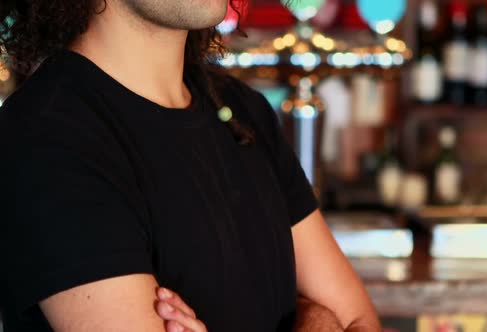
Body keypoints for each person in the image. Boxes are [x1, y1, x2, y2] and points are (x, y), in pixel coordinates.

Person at [0, 0, 382, 331]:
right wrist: (316, 318)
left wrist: (319, 317)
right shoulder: (47, 137)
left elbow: (356, 321)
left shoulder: (242, 109)